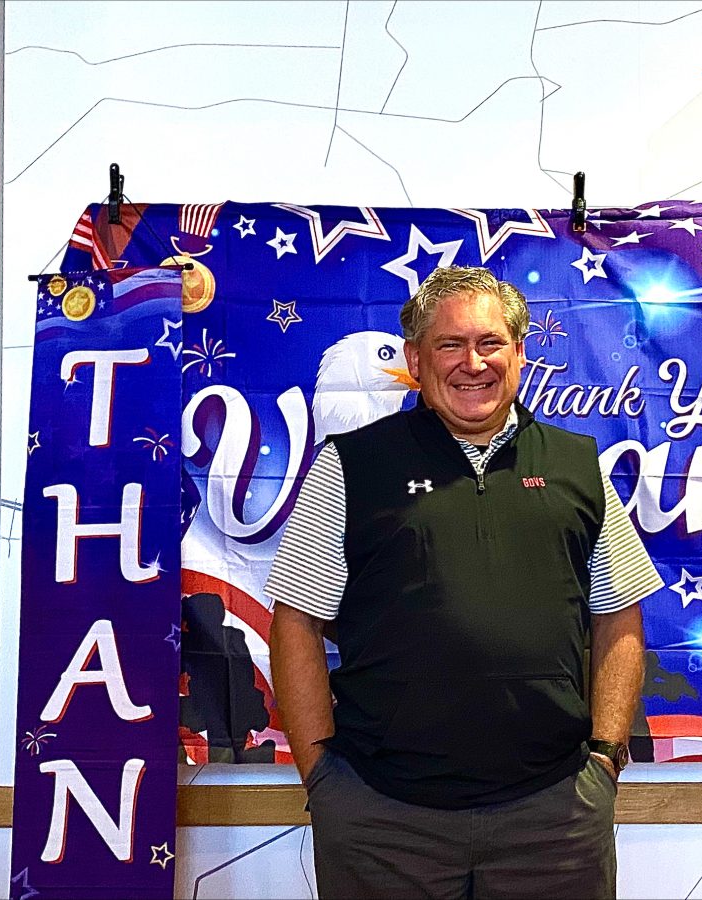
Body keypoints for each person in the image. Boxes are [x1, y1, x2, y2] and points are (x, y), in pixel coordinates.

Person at [265, 265, 662, 899]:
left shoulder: (576, 464)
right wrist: (323, 777)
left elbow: (619, 619)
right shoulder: (350, 463)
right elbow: (295, 623)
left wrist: (605, 758)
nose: (471, 363)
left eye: (489, 343)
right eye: (449, 345)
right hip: (383, 820)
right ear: (417, 361)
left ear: (521, 354)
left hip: (553, 818)